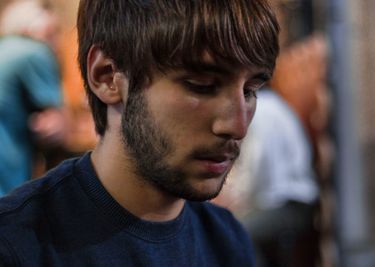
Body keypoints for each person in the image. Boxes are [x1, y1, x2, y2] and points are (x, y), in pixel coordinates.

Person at [0, 0, 280, 265]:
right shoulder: (16, 244)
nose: (237, 126)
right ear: (107, 76)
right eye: (202, 85)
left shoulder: (227, 239)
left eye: (250, 90)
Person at [218, 89, 319, 267]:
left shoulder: (260, 111)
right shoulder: (275, 105)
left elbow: (256, 162)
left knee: (239, 233)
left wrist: (238, 198)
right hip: (286, 200)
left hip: (291, 203)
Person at [0, 0, 64, 195]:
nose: (57, 44)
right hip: (9, 183)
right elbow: (58, 127)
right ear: (30, 28)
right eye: (52, 33)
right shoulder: (35, 51)